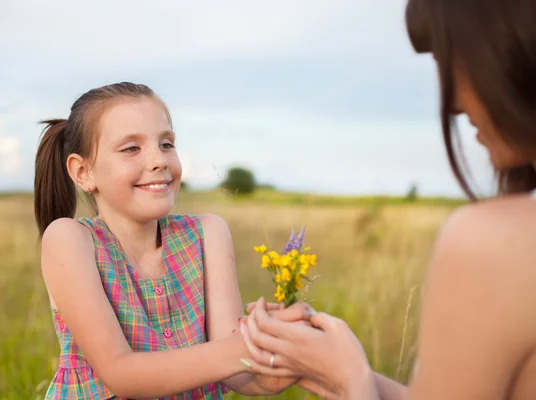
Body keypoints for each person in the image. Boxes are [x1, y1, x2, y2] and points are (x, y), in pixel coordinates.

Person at [241, 0, 536, 399]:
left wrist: (354, 382)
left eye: (455, 59)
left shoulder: (492, 242)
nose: (452, 103)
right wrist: (335, 369)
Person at [34, 82, 305, 399]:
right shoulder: (70, 239)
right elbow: (120, 374)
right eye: (131, 148)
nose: (159, 160)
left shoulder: (208, 234)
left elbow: (241, 376)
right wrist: (243, 346)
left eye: (166, 144)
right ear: (83, 173)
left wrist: (281, 345)